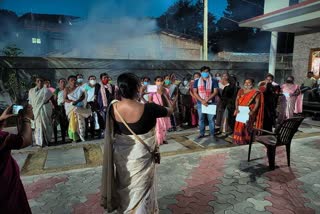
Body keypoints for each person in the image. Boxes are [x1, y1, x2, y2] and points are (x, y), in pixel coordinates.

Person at [101, 73, 174, 213]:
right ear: (137, 88)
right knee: (142, 189)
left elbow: (116, 132)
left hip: (123, 157)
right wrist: (163, 94)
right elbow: (170, 111)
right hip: (143, 156)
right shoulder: (150, 108)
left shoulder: (113, 108)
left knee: (125, 185)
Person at [0, 104, 34, 213]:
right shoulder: (2, 138)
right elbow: (25, 140)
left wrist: (1, 119)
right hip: (6, 190)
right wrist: (26, 118)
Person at [233, 78, 264, 145]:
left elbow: (257, 103)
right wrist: (236, 108)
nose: (247, 84)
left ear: (252, 84)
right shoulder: (240, 91)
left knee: (246, 126)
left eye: (249, 82)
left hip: (248, 111)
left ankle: (246, 140)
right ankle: (238, 140)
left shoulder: (256, 92)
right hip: (240, 111)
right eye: (245, 82)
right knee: (238, 125)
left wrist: (253, 111)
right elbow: (237, 100)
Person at [28, 76, 56, 147]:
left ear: (43, 82)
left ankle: (47, 141)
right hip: (35, 111)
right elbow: (30, 102)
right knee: (37, 127)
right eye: (38, 81)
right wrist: (30, 112)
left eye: (41, 81)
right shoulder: (31, 91)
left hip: (45, 109)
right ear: (35, 82)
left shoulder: (47, 91)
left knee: (46, 125)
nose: (40, 82)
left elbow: (52, 100)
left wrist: (55, 109)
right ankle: (40, 142)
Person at [193, 66, 219, 138]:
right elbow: (195, 92)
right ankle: (201, 133)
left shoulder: (213, 81)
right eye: (204, 72)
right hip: (200, 103)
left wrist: (206, 100)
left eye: (207, 71)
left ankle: (212, 134)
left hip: (211, 103)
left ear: (209, 72)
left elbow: (215, 92)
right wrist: (202, 101)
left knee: (211, 119)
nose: (205, 73)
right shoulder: (197, 81)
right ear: (201, 72)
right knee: (201, 119)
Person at [149, 76, 174, 145]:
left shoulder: (166, 89)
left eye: (161, 80)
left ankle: (164, 139)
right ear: (155, 82)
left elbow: (168, 99)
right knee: (158, 126)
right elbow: (150, 100)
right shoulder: (152, 88)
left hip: (164, 109)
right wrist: (154, 107)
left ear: (163, 81)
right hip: (156, 110)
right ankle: (158, 140)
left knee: (164, 125)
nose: (159, 82)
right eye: (158, 80)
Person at [64, 75, 90, 142]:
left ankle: (81, 135)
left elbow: (83, 96)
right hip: (70, 107)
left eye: (74, 80)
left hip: (78, 106)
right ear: (68, 81)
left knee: (80, 121)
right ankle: (74, 137)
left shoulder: (80, 87)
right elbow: (65, 99)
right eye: (71, 80)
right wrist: (72, 102)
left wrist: (77, 101)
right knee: (73, 122)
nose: (73, 81)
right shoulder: (66, 89)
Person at [96, 73, 118, 138]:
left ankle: (111, 132)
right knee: (103, 120)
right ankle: (104, 133)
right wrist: (98, 107)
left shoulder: (111, 86)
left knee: (111, 120)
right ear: (101, 79)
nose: (106, 79)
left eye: (107, 77)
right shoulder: (98, 86)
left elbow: (113, 95)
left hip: (110, 105)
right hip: (102, 106)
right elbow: (96, 96)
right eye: (104, 78)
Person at [84, 75, 100, 139]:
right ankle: (86, 134)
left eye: (94, 79)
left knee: (94, 119)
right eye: (91, 79)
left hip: (95, 104)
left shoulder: (97, 86)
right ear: (88, 80)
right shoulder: (87, 87)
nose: (93, 80)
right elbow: (85, 95)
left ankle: (93, 133)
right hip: (88, 104)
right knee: (86, 119)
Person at [53, 78, 68, 143]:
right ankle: (56, 139)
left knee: (65, 124)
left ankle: (64, 139)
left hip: (67, 107)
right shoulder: (57, 90)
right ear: (59, 83)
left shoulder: (67, 89)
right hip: (59, 108)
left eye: (64, 82)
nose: (63, 83)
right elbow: (55, 99)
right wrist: (55, 108)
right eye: (61, 82)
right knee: (56, 124)